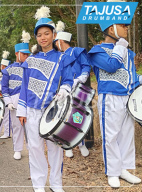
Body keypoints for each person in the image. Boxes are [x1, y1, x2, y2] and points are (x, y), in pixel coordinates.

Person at [17, 6, 74, 192]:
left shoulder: (62, 58)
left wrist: (65, 88)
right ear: (36, 38)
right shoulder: (29, 61)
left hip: (53, 111)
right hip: (32, 110)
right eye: (39, 34)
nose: (43, 37)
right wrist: (22, 111)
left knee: (56, 148)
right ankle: (39, 185)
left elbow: (68, 79)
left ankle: (56, 184)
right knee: (35, 149)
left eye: (47, 33)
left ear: (54, 34)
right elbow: (23, 87)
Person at [88, 3, 142, 188]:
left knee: (126, 135)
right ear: (112, 28)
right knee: (110, 136)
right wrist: (120, 46)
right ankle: (112, 171)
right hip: (109, 98)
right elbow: (112, 66)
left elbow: (131, 77)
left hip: (127, 98)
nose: (127, 28)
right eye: (123, 25)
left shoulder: (127, 51)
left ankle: (124, 169)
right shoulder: (96, 51)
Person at [54, 21, 90, 158]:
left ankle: (81, 144)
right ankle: (67, 144)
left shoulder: (77, 51)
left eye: (56, 41)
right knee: (64, 116)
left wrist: (80, 78)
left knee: (78, 116)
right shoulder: (58, 56)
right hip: (64, 90)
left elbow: (86, 67)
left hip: (79, 89)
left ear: (61, 41)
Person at [2, 31, 31, 160]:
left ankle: (32, 148)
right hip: (14, 100)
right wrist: (8, 102)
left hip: (29, 99)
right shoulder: (7, 70)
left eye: (27, 54)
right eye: (24, 54)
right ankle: (18, 149)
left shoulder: (31, 67)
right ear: (17, 54)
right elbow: (4, 88)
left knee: (30, 126)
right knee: (16, 126)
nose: (26, 56)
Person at [0, 51, 12, 139]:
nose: (1, 67)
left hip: (6, 97)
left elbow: (2, 87)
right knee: (0, 115)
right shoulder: (2, 75)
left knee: (6, 117)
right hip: (1, 97)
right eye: (1, 65)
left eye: (3, 66)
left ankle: (7, 133)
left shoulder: (7, 74)